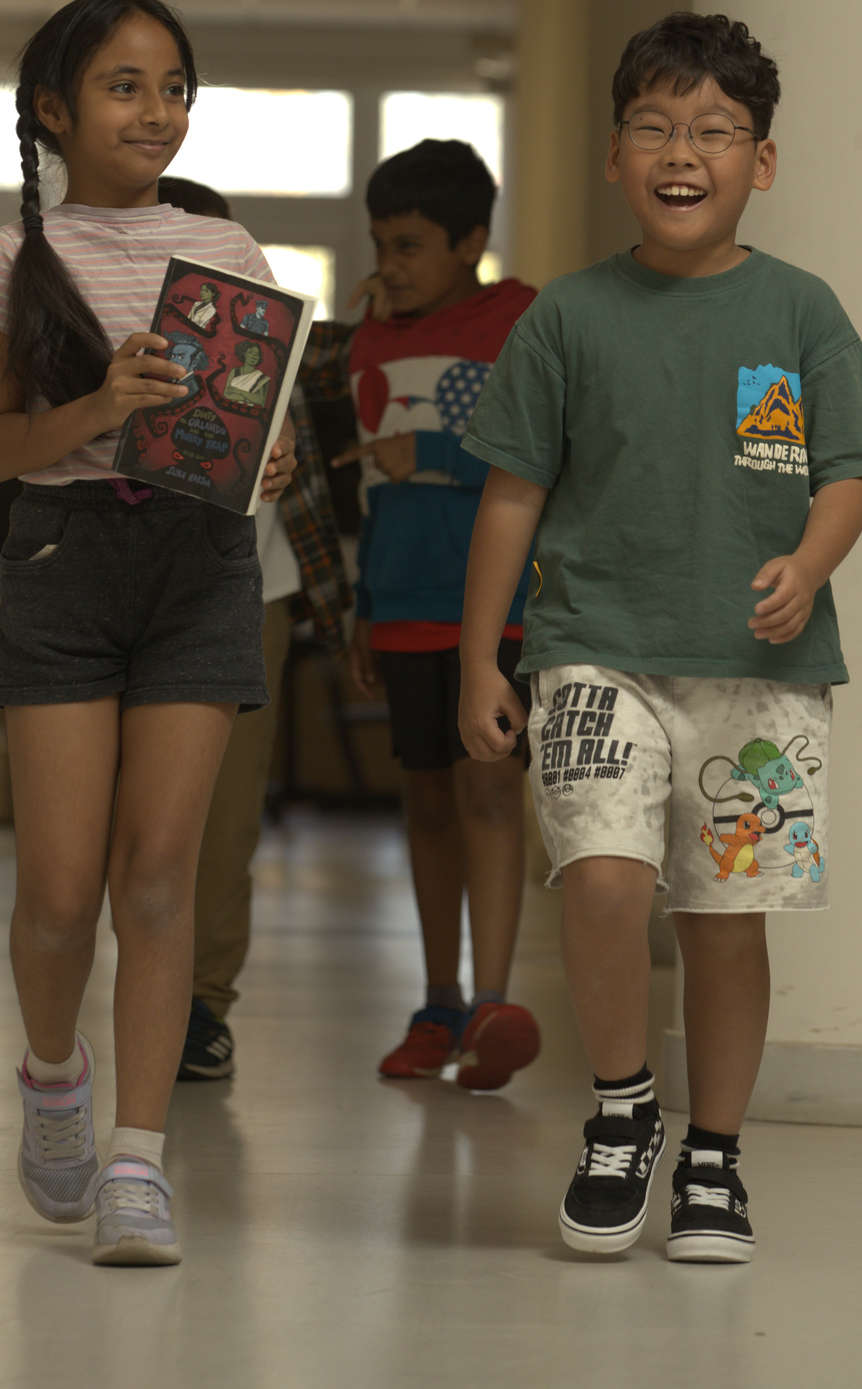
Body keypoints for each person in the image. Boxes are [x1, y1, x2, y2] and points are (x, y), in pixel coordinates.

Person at [457, 11, 862, 1263]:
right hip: (590, 643)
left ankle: (714, 1156)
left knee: (722, 918)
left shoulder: (800, 311)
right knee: (602, 879)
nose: (682, 150)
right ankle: (620, 1115)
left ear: (759, 162)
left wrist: (809, 566)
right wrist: (477, 656)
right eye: (655, 126)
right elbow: (510, 494)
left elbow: (849, 475)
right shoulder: (565, 317)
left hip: (758, 672)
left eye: (714, 130)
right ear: (614, 155)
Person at [0, 0, 296, 1270]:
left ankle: (138, 1164)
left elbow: (264, 431)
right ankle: (54, 1078)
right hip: (64, 561)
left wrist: (262, 465)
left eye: (172, 86)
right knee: (57, 893)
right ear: (53, 109)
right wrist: (100, 400)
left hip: (201, 566)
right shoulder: (14, 258)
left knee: (157, 878)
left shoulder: (227, 249)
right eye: (122, 86)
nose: (154, 110)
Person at [313, 138, 542, 1090]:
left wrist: (439, 454)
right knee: (426, 800)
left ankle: (492, 1000)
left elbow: (549, 459)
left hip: (501, 613)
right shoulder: (369, 335)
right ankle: (439, 998)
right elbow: (369, 484)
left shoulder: (524, 322)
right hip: (400, 605)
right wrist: (363, 609)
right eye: (379, 242)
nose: (388, 265)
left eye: (408, 244)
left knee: (489, 790)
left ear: (472, 241)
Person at [156, 175, 352, 1082]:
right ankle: (133, 991)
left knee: (226, 815)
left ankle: (200, 1003)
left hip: (252, 597)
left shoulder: (281, 347)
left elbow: (347, 362)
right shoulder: (120, 351)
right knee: (131, 818)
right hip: (135, 588)